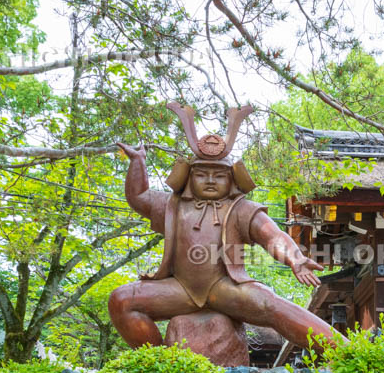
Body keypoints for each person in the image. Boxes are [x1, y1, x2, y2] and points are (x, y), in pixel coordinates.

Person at [107, 103, 343, 352]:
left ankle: (346, 353)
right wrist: (137, 162)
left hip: (226, 287)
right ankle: (158, 366)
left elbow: (272, 235)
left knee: (271, 305)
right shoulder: (171, 204)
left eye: (219, 175)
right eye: (202, 174)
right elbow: (139, 197)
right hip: (179, 289)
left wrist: (295, 258)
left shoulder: (241, 208)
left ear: (231, 179)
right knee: (121, 300)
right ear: (189, 176)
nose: (210, 180)